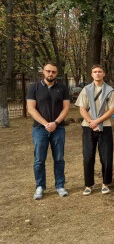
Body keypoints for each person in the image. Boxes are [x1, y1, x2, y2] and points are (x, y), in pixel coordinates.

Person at [26, 62, 70, 200]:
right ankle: (40, 186)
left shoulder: (62, 88)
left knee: (59, 158)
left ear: (57, 73)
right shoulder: (34, 87)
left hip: (59, 128)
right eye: (48, 71)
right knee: (39, 159)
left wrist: (55, 123)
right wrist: (46, 124)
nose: (51, 74)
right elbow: (31, 109)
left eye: (54, 72)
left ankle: (60, 186)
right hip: (40, 129)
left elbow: (66, 108)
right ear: (43, 72)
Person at [75, 65, 114, 195]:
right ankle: (88, 184)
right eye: (95, 72)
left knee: (106, 156)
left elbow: (112, 109)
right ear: (91, 74)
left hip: (104, 126)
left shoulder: (110, 90)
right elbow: (82, 108)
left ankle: (105, 183)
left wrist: (98, 121)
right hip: (88, 127)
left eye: (100, 71)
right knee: (88, 156)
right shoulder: (86, 89)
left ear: (104, 74)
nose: (97, 74)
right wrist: (90, 121)